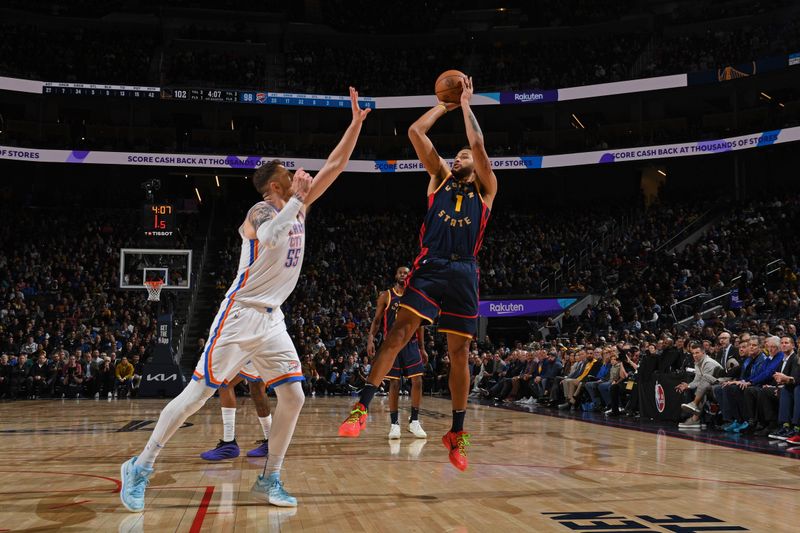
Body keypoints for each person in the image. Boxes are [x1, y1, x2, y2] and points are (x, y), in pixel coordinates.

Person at [119, 87, 370, 512]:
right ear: (277, 184)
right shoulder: (260, 211)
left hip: (273, 321)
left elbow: (336, 164)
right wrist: (296, 201)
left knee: (294, 396)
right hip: (240, 316)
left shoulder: (298, 204)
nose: (298, 177)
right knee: (196, 396)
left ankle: (270, 477)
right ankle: (140, 466)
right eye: (290, 175)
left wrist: (355, 124)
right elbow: (270, 237)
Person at [339, 76, 497, 472]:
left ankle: (457, 434)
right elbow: (415, 131)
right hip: (430, 265)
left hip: (464, 271)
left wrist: (464, 104)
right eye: (457, 156)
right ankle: (361, 408)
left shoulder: (487, 189)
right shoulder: (440, 178)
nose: (460, 159)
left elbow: (477, 145)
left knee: (460, 353)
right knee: (398, 332)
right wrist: (443, 105)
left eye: (464, 158)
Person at [366, 266, 429, 440]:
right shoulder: (386, 295)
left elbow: (420, 325)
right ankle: (394, 424)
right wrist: (371, 339)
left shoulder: (415, 296)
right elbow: (377, 321)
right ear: (395, 275)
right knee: (394, 384)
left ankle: (414, 421)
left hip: (411, 343)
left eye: (407, 273)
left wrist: (422, 347)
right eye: (401, 272)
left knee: (417, 381)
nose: (404, 274)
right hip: (392, 344)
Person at [199, 363, 273, 460]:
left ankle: (229, 444)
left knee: (225, 382)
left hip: (252, 351)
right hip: (261, 352)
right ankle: (271, 442)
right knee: (257, 389)